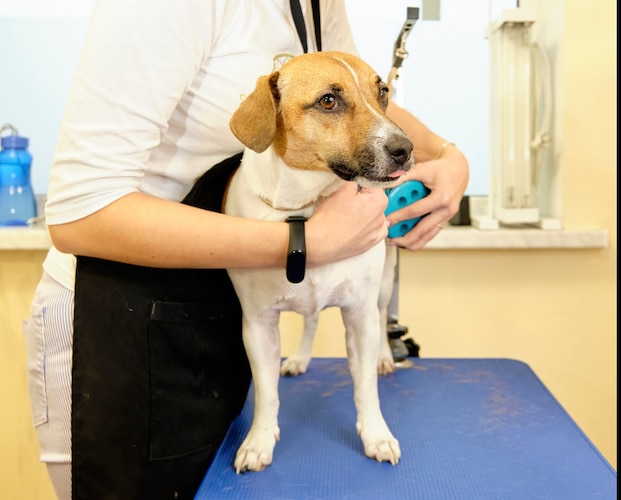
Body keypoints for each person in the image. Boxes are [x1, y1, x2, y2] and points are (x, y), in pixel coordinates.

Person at [23, 0, 469, 498]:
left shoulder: (319, 4)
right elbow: (79, 213)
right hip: (116, 318)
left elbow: (350, 91)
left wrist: (448, 154)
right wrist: (304, 243)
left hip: (217, 305)